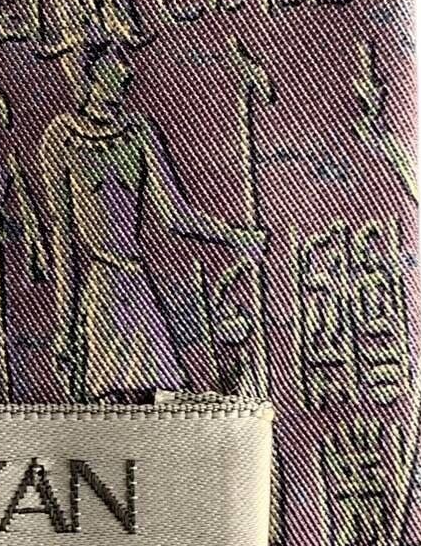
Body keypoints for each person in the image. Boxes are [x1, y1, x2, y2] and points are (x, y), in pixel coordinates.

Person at [39, 38, 262, 401]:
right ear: (90, 73)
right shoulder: (62, 137)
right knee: (110, 405)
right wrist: (66, 323)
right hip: (101, 291)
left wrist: (235, 236)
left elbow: (174, 213)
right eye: (115, 63)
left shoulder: (139, 131)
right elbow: (63, 237)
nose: (127, 71)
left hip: (136, 282)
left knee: (159, 399)